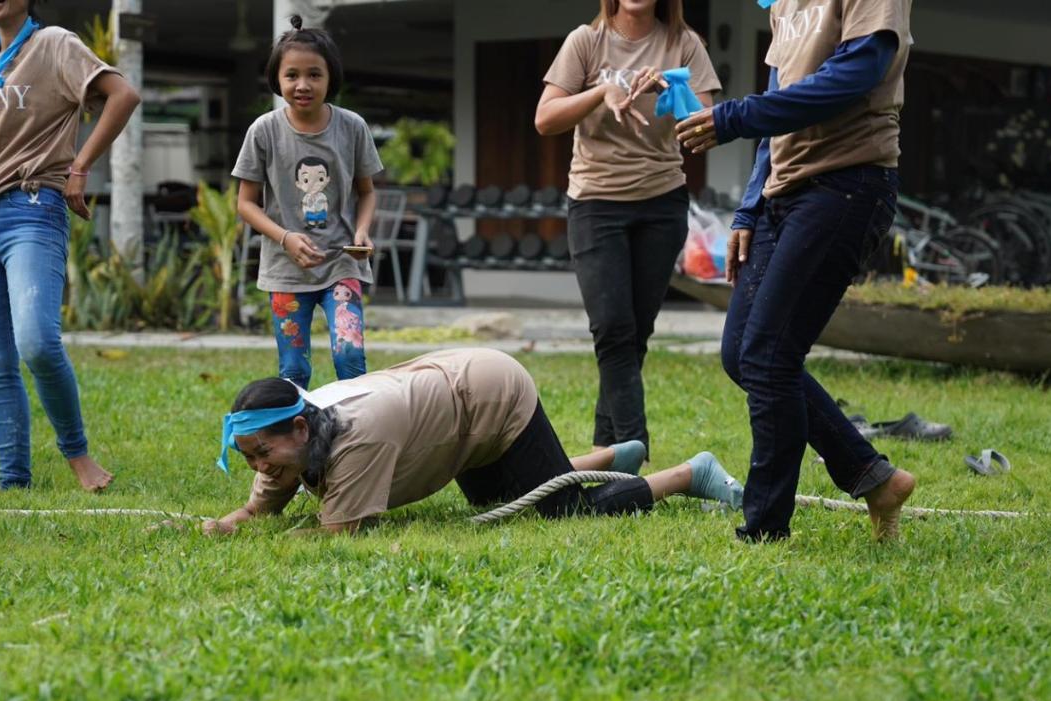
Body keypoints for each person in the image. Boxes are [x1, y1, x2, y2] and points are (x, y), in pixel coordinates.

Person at [674, 0, 915, 541]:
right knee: (743, 354)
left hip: (846, 185)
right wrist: (750, 207)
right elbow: (779, 109)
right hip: (784, 194)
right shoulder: (786, 4)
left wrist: (731, 116)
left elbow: (851, 78)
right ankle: (874, 476)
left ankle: (765, 527)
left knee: (770, 354)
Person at [0, 0, 140, 491]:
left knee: (37, 342)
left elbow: (123, 94)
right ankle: (13, 478)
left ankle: (79, 456)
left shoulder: (54, 44)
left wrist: (80, 166)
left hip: (33, 208)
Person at [204, 348, 744, 536]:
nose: (261, 468)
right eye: (249, 457)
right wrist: (225, 525)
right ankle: (609, 457)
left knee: (562, 513)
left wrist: (275, 535)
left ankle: (687, 473)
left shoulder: (354, 439)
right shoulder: (289, 439)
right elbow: (258, 510)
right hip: (453, 405)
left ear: (299, 428)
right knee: (500, 504)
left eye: (263, 454)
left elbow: (342, 534)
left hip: (488, 392)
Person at [535, 0, 720, 461]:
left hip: (662, 203)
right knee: (613, 328)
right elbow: (545, 118)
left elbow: (707, 124)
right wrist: (601, 93)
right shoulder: (586, 41)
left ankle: (606, 447)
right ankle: (635, 450)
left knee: (633, 333)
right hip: (596, 202)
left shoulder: (683, 43)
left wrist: (671, 89)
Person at [233, 15, 382, 390]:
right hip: (285, 269)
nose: (303, 84)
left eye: (314, 74)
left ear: (331, 78)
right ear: (277, 79)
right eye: (292, 75)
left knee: (350, 356)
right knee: (293, 370)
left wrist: (362, 231)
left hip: (341, 264)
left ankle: (358, 437)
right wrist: (286, 238)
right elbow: (246, 204)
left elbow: (367, 191)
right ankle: (298, 442)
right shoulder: (263, 131)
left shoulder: (352, 127)